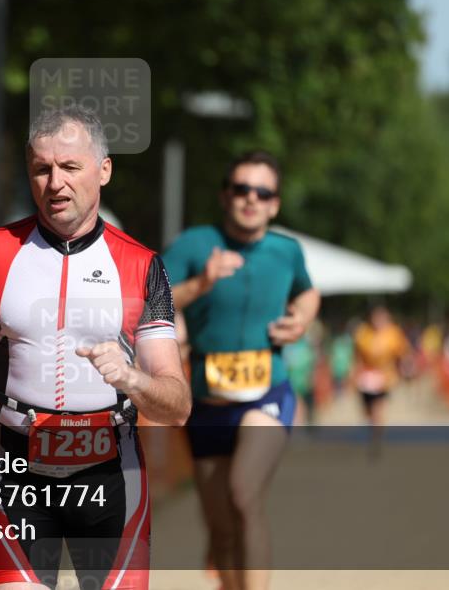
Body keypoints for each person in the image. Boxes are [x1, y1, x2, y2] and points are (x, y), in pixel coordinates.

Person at [0, 105, 190, 590]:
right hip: (15, 471)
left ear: (104, 170)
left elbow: (178, 405)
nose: (55, 183)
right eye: (42, 169)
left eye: (70, 167)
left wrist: (132, 378)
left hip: (111, 477)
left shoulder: (143, 266)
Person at [161, 150, 320, 590]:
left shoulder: (286, 251)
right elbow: (151, 300)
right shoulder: (194, 245)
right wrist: (202, 283)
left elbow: (308, 292)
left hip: (267, 393)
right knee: (221, 528)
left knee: (243, 493)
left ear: (275, 204)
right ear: (225, 195)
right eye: (242, 189)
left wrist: (303, 319)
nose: (252, 198)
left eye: (263, 192)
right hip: (206, 403)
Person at [352, 305, 411, 431]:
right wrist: (355, 373)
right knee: (367, 411)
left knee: (377, 408)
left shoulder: (393, 334)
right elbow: (357, 355)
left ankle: (377, 435)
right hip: (367, 377)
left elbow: (403, 353)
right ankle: (372, 423)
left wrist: (405, 368)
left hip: (385, 378)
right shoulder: (364, 333)